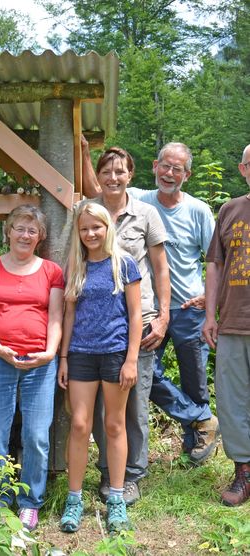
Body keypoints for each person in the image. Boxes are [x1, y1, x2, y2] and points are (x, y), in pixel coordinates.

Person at [83, 140, 219, 466]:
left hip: (189, 308)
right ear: (155, 167)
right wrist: (84, 154)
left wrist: (212, 298)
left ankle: (195, 453)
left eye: (177, 168)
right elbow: (99, 189)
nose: (169, 173)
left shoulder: (197, 210)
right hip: (145, 310)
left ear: (188, 174)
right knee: (146, 375)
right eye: (165, 166)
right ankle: (200, 418)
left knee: (195, 381)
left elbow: (217, 257)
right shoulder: (141, 200)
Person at [82, 147, 170, 505]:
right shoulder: (89, 212)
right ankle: (108, 470)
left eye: (120, 172)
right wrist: (83, 151)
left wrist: (164, 316)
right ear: (99, 176)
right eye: (107, 172)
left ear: (131, 175)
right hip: (97, 326)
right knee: (103, 407)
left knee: (134, 403)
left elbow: (161, 268)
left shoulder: (146, 213)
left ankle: (132, 475)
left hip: (140, 322)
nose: (113, 178)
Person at [0, 204, 64, 532]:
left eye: (32, 230)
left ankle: (30, 502)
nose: (25, 235)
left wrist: (50, 352)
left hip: (40, 362)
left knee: (36, 435)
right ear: (8, 231)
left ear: (40, 237)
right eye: (19, 228)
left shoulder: (52, 271)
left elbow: (56, 317)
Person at [58, 202, 142, 534]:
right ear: (78, 232)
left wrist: (131, 359)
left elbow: (136, 315)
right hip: (80, 354)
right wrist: (63, 357)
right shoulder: (75, 266)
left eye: (97, 227)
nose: (91, 233)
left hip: (115, 354)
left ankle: (117, 499)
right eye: (84, 228)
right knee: (79, 424)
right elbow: (69, 315)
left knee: (114, 425)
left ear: (107, 228)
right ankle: (74, 499)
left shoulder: (124, 264)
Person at [202, 144, 250, 506]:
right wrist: (209, 316)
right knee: (233, 403)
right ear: (243, 169)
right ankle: (243, 475)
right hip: (234, 322)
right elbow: (215, 265)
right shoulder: (229, 210)